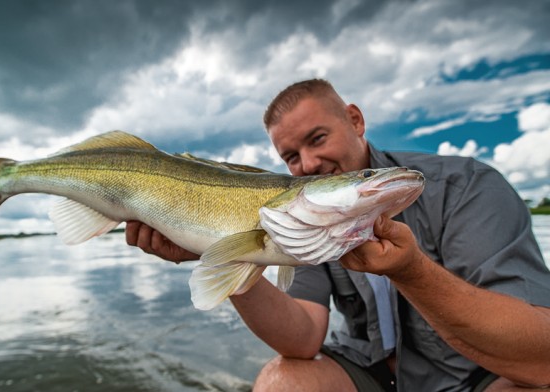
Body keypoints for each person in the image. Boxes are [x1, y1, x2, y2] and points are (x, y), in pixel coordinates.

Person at [125, 79, 550, 391]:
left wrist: (412, 271)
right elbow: (303, 337)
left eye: (318, 138)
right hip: (374, 372)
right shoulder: (304, 216)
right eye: (290, 156)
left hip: (480, 377)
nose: (308, 164)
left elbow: (540, 358)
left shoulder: (468, 186)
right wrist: (222, 253)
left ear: (355, 120)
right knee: (282, 381)